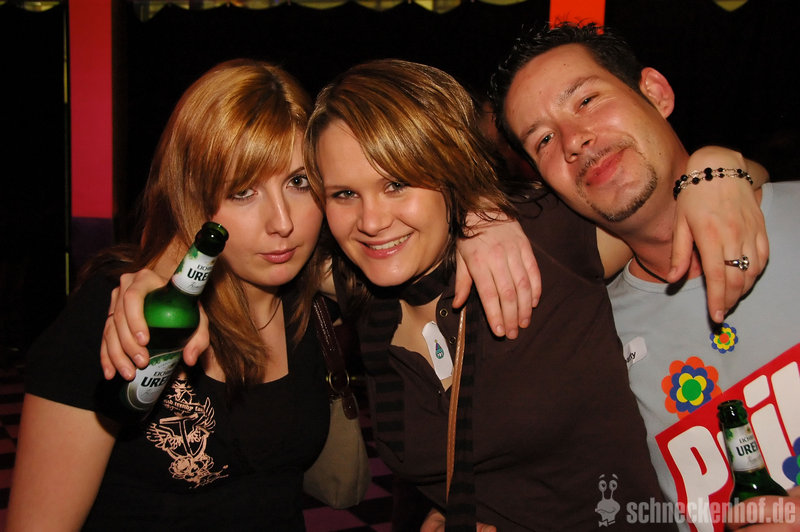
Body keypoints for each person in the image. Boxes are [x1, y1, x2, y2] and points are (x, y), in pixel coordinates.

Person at [99, 63, 770, 530]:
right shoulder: (357, 288)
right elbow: (226, 228)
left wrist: (720, 166)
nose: (372, 220)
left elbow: (674, 200)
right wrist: (152, 277)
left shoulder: (547, 239)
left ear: (448, 173)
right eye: (344, 193)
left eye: (398, 183)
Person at [490, 22, 800, 530]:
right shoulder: (590, 341)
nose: (573, 141)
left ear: (655, 92)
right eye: (543, 139)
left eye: (587, 100)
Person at [6, 59, 334, 530]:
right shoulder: (118, 314)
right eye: (243, 191)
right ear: (192, 194)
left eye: (299, 182)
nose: (282, 222)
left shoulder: (310, 299)